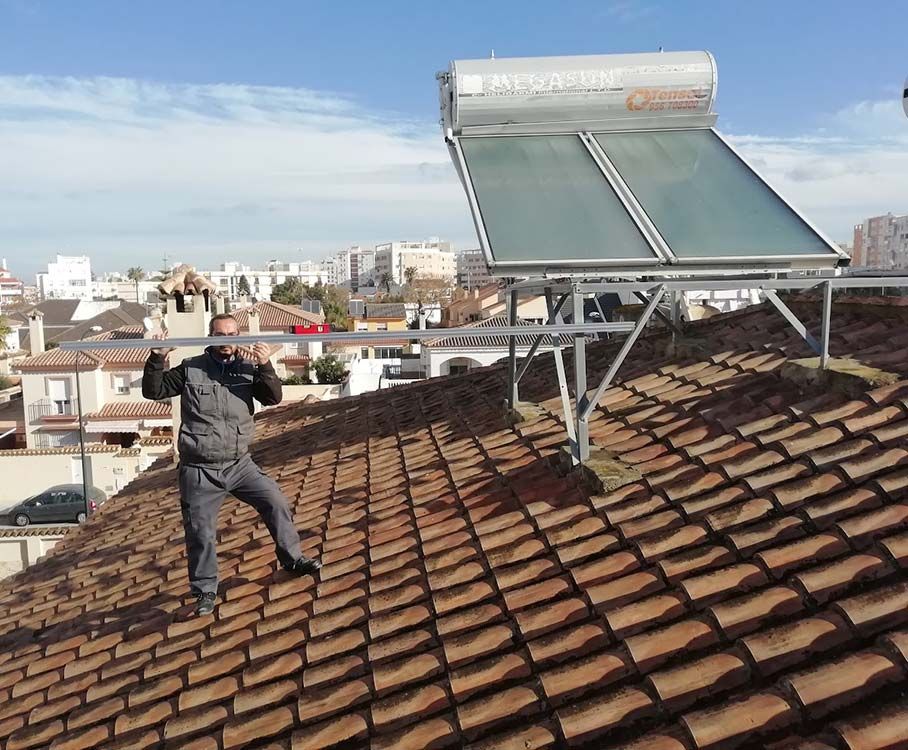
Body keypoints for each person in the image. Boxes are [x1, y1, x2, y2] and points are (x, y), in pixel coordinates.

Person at [142, 313, 320, 616]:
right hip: (199, 469)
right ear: (211, 338)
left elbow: (272, 397)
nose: (228, 341)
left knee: (274, 500)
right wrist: (158, 358)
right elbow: (154, 391)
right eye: (221, 335)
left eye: (233, 335)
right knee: (200, 532)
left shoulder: (248, 368)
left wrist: (265, 364)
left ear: (239, 337)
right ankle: (205, 591)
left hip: (239, 464)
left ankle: (292, 559)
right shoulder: (191, 369)